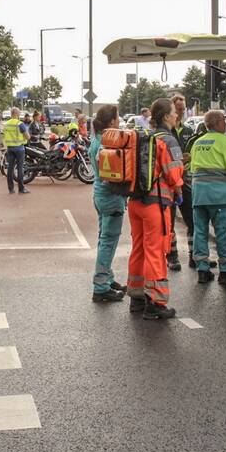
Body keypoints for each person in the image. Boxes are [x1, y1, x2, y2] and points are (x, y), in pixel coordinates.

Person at [127, 98, 184, 320]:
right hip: (155, 204)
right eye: (173, 112)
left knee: (139, 248)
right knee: (156, 250)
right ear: (166, 116)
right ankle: (156, 302)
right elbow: (173, 175)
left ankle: (137, 297)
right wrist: (180, 189)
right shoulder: (168, 141)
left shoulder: (145, 137)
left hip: (135, 202)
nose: (177, 115)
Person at [190, 110, 226, 286]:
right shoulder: (225, 141)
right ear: (216, 123)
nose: (225, 124)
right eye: (223, 121)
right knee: (222, 232)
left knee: (200, 231)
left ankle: (202, 270)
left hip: (199, 194)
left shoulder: (197, 143)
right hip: (219, 195)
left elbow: (193, 168)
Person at [88, 105, 128, 302]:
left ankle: (107, 277)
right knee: (108, 241)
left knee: (104, 238)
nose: (119, 120)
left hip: (99, 194)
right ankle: (101, 286)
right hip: (111, 197)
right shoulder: (107, 143)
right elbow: (113, 172)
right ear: (112, 121)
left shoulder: (96, 139)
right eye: (118, 117)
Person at [166, 93, 195, 271]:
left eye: (183, 109)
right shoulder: (164, 132)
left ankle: (194, 255)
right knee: (168, 222)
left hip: (185, 181)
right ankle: (172, 256)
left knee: (192, 220)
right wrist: (179, 161)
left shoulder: (189, 131)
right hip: (169, 183)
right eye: (178, 109)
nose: (181, 112)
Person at [2, 107, 30, 194]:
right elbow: (27, 136)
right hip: (19, 148)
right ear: (17, 114)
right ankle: (21, 189)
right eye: (19, 114)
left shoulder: (6, 124)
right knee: (20, 168)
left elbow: (3, 135)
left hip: (10, 148)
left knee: (10, 169)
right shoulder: (20, 124)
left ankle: (11, 189)